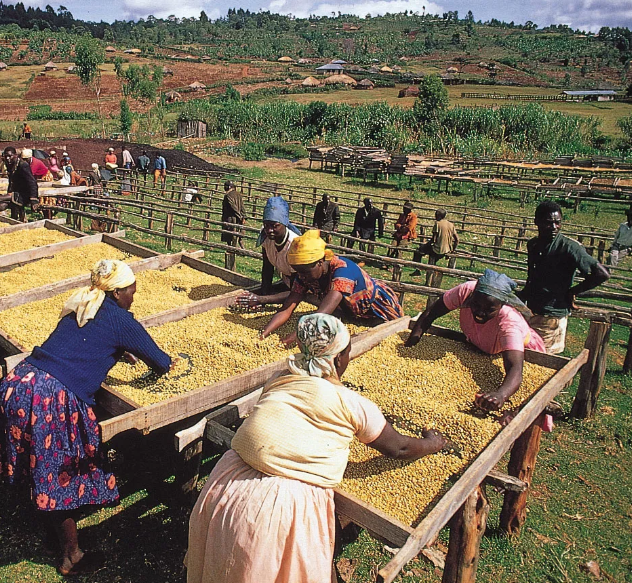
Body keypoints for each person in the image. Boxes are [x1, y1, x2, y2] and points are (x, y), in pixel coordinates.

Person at [186, 313, 445, 583]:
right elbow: (399, 448)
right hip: (280, 504)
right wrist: (432, 443)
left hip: (226, 481)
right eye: (347, 352)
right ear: (338, 358)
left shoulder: (280, 379)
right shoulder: (350, 403)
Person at [0, 259, 173, 576]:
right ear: (117, 293)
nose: (134, 297)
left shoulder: (83, 305)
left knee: (39, 461)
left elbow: (81, 341)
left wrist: (119, 349)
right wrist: (135, 345)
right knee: (62, 471)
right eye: (131, 291)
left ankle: (42, 513)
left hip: (21, 383)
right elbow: (161, 362)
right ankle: (71, 557)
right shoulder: (121, 319)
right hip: (48, 399)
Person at [406, 269, 547, 411]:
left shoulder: (509, 323)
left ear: (501, 305)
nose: (480, 312)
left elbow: (515, 368)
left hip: (521, 351)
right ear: (472, 296)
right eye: (476, 305)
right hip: (479, 344)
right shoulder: (466, 291)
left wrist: (501, 395)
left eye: (489, 309)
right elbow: (431, 312)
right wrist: (412, 341)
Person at [256, 229, 404, 343]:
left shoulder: (343, 271)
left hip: (378, 310)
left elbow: (321, 313)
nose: (301, 277)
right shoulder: (305, 275)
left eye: (305, 272)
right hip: (351, 314)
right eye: (298, 272)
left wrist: (295, 336)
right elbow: (286, 308)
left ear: (320, 262)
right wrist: (264, 333)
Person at [517, 200, 610, 354]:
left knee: (542, 359)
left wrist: (573, 291)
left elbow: (602, 274)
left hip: (552, 316)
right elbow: (533, 276)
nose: (554, 227)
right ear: (537, 222)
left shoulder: (569, 248)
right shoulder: (533, 245)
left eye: (557, 222)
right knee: (525, 355)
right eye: (548, 223)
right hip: (532, 311)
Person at [411, 209, 459, 274]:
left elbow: (433, 239)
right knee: (431, 256)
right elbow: (457, 240)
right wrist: (453, 249)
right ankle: (430, 269)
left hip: (437, 250)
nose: (435, 216)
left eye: (436, 215)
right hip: (447, 250)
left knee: (418, 252)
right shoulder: (451, 224)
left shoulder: (437, 224)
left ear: (439, 216)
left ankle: (418, 269)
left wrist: (425, 246)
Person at [3, 146, 39, 223]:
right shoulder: (10, 164)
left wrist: (33, 199)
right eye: (6, 156)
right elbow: (11, 180)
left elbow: (32, 182)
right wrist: (10, 190)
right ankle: (15, 220)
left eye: (10, 156)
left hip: (24, 193)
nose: (7, 158)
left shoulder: (23, 165)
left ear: (15, 155)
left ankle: (19, 219)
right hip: (16, 191)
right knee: (9, 206)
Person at [220, 182, 246, 248]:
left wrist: (239, 216)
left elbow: (233, 206)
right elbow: (242, 207)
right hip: (238, 217)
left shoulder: (228, 195)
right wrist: (243, 216)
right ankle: (240, 248)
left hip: (230, 217)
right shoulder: (238, 194)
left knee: (230, 233)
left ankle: (232, 248)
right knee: (238, 234)